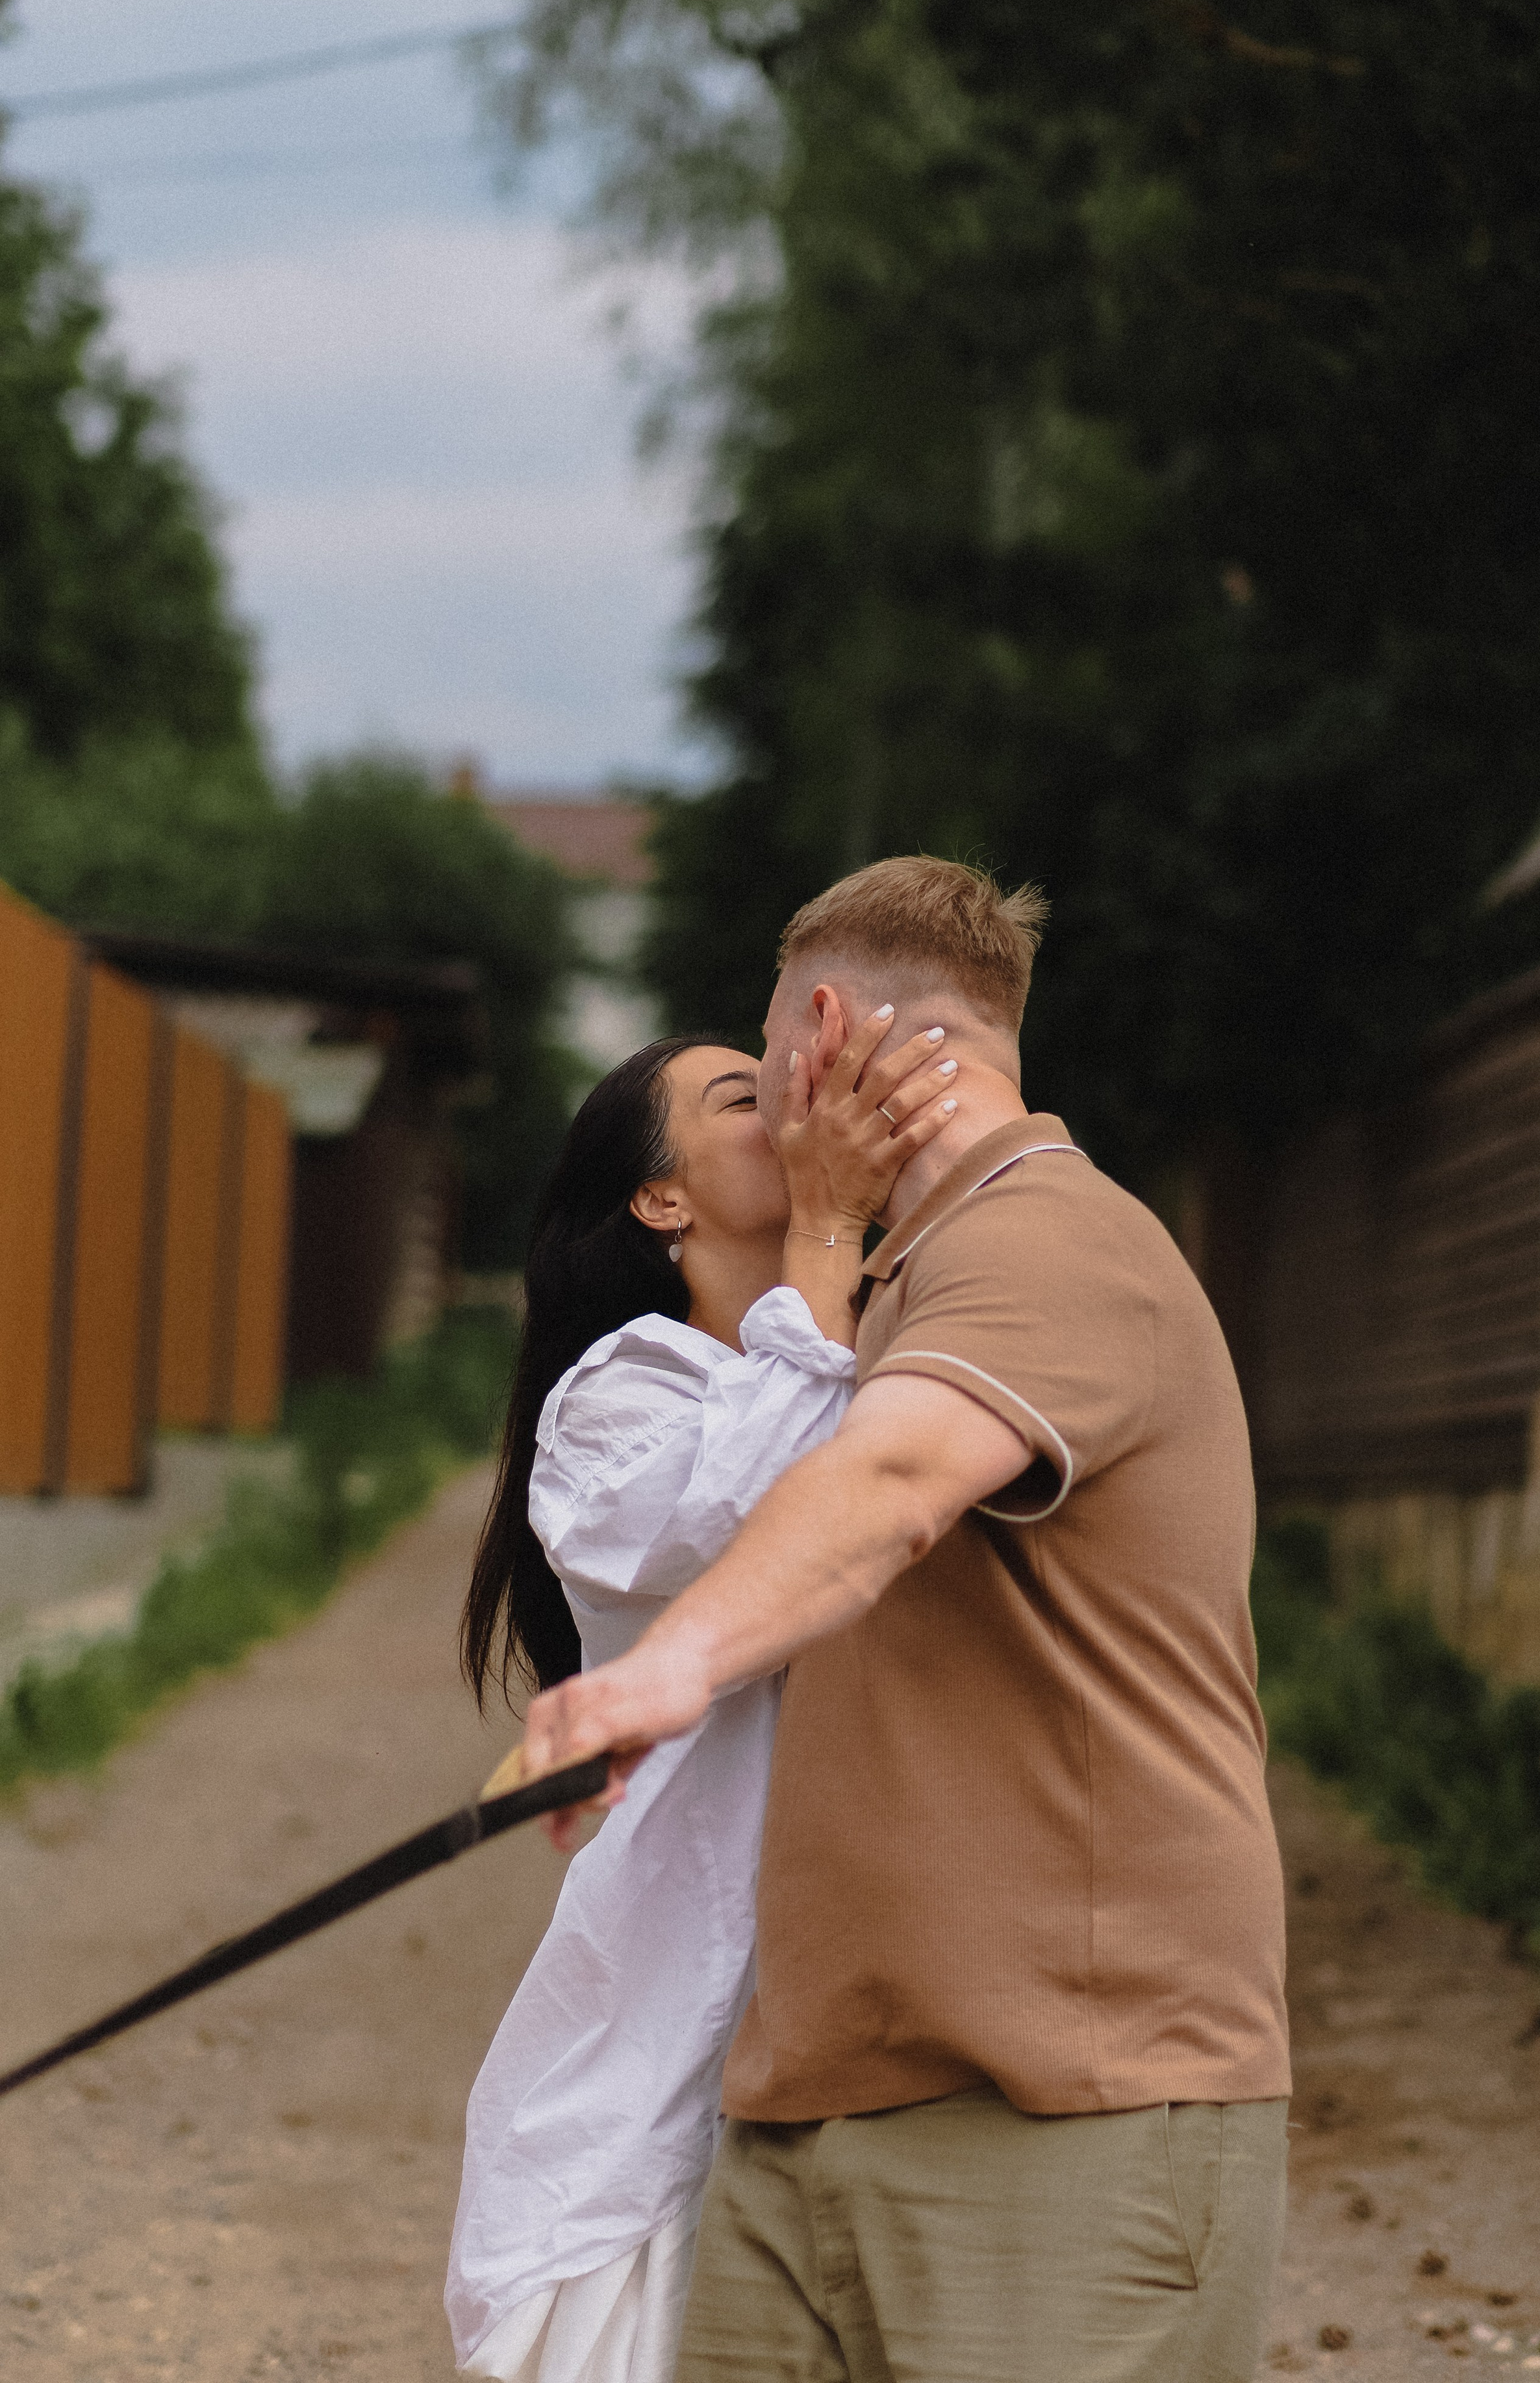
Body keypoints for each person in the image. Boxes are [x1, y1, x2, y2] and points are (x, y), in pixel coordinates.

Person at [518, 856, 1293, 2383]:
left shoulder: (1045, 1243)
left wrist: (662, 1672)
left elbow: (893, 1478)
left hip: (1058, 2117)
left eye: (761, 1063)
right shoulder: (888, 1286)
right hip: (808, 2115)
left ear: (819, 1035)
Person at [446, 1021, 959, 2383]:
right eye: (742, 1097)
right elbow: (779, 1504)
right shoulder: (616, 1400)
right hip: (696, 1976)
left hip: (886, 1953)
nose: (790, 1104)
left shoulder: (902, 1338)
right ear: (657, 1198)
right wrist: (831, 1226)